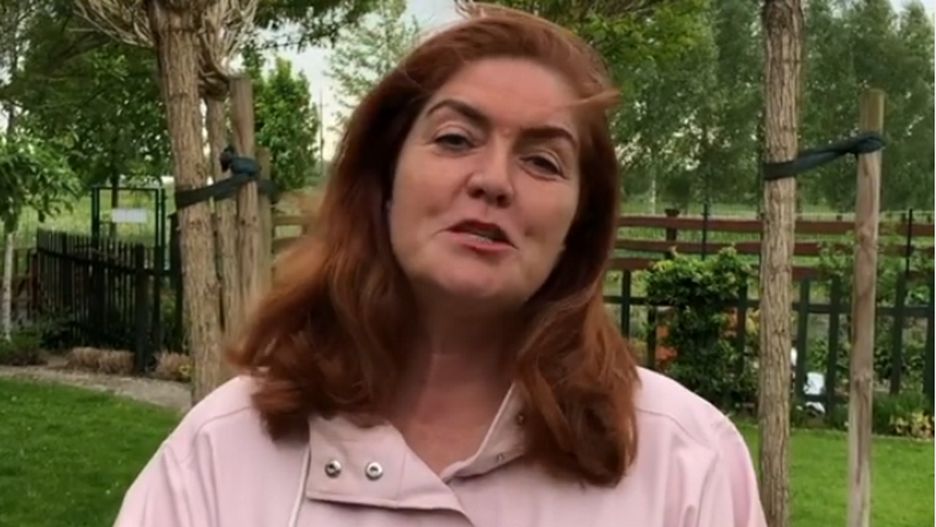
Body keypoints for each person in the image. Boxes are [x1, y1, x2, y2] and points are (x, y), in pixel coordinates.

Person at [114, 4, 767, 526]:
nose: (494, 180)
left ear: (579, 225)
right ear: (384, 182)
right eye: (455, 139)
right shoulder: (222, 451)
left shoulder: (685, 462)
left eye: (543, 161)